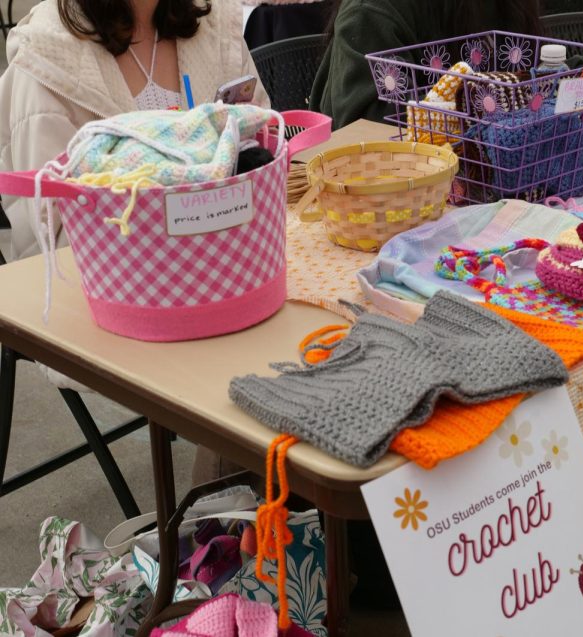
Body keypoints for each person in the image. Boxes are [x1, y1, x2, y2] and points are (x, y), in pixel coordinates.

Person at [0, 0, 268, 486]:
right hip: (116, 296)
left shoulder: (215, 28)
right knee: (259, 373)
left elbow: (264, 141)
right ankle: (225, 528)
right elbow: (49, 235)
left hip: (231, 272)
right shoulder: (47, 56)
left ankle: (245, 522)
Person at [0, 0, 269, 261]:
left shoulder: (217, 28)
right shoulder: (46, 55)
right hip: (103, 286)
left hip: (231, 265)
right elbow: (53, 231)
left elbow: (266, 160)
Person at [309, 0, 543, 128]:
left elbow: (538, 74)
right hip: (387, 193)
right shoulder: (371, 12)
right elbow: (373, 136)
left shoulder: (510, 8)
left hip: (494, 186)